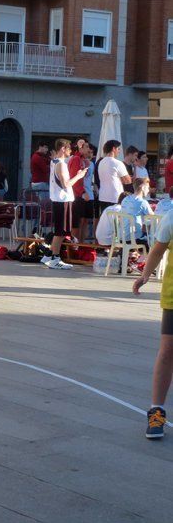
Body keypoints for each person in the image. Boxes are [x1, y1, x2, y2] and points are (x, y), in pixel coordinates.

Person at [132, 211, 173, 439]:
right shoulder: (172, 217)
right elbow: (157, 250)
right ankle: (157, 411)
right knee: (167, 352)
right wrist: (145, 276)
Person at [42, 139, 87, 270]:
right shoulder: (60, 164)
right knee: (61, 232)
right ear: (63, 149)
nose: (70, 151)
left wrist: (79, 148)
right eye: (68, 149)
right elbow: (65, 184)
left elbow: (71, 159)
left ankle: (49, 255)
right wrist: (79, 176)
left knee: (62, 231)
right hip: (62, 200)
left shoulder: (55, 161)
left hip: (60, 200)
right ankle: (55, 258)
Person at [97, 140, 132, 214]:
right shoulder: (118, 163)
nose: (119, 151)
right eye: (118, 149)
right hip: (115, 197)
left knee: (105, 221)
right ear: (113, 149)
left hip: (103, 196)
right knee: (115, 223)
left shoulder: (100, 162)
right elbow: (128, 180)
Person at [68, 141, 93, 241]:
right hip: (78, 196)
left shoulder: (84, 160)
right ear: (80, 148)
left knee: (85, 221)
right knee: (77, 223)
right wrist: (82, 193)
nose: (89, 150)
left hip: (86, 195)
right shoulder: (76, 159)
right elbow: (75, 179)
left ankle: (82, 245)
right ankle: (75, 246)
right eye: (86, 147)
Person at [120, 177, 153, 242]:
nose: (149, 190)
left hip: (121, 236)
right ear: (143, 188)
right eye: (148, 188)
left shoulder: (125, 199)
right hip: (134, 238)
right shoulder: (142, 202)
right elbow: (154, 218)